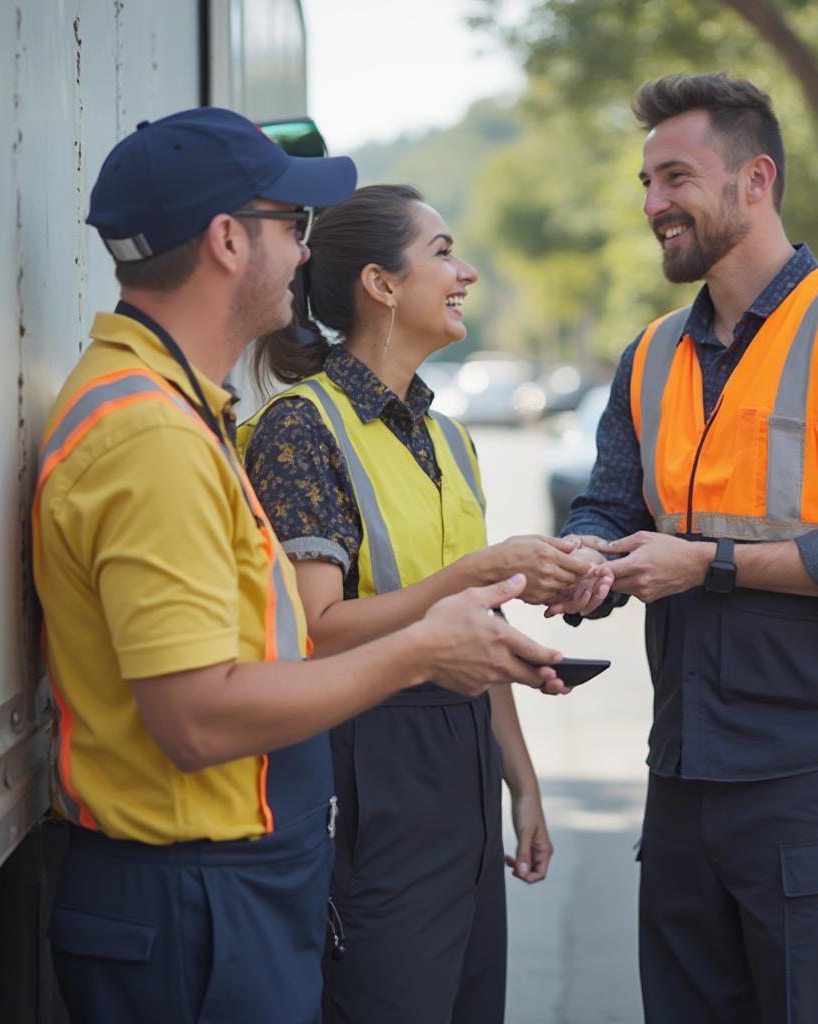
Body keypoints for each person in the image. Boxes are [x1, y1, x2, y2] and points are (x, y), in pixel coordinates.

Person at [32, 109, 567, 1024]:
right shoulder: (152, 436)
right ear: (228, 241)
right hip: (193, 895)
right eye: (292, 226)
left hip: (218, 883)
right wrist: (422, 649)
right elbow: (198, 719)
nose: (302, 254)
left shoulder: (173, 413)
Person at [547, 73, 818, 1023]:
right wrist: (581, 563)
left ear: (755, 180)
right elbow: (608, 502)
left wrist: (708, 564)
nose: (653, 206)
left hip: (817, 779)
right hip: (682, 776)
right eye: (645, 183)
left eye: (676, 177)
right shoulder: (647, 356)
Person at [239, 183, 590, 1024]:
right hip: (369, 774)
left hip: (462, 773)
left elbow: (481, 626)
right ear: (381, 284)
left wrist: (521, 783)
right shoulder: (301, 428)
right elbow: (316, 634)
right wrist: (470, 576)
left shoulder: (449, 437)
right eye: (442, 253)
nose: (465, 272)